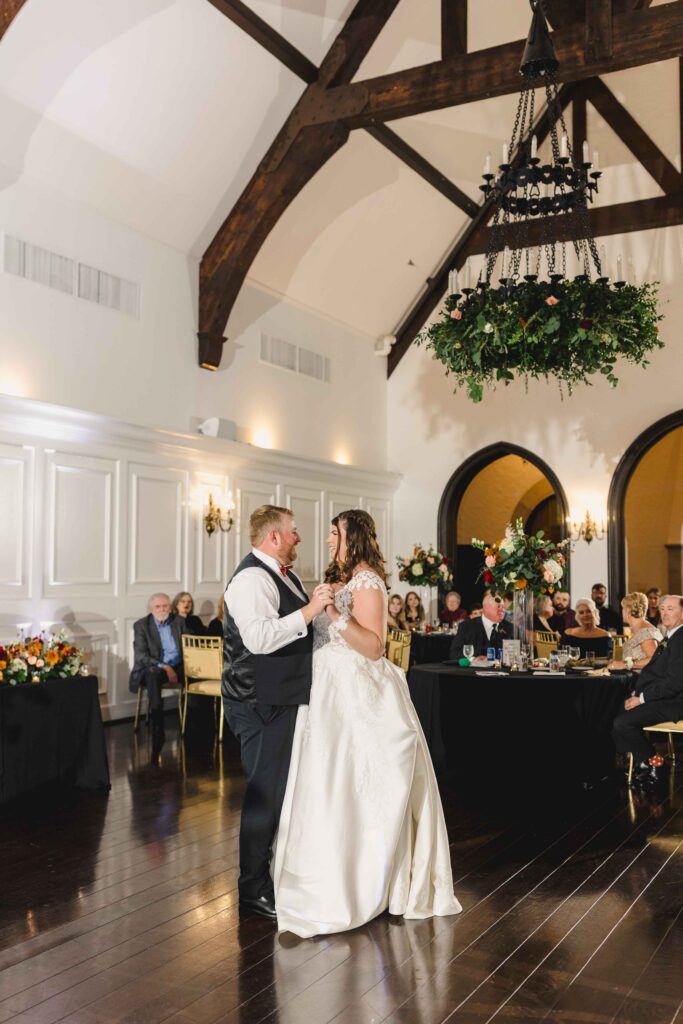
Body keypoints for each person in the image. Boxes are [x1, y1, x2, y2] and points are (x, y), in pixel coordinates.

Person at [274, 509, 460, 937]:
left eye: (333, 533)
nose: (326, 541)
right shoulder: (341, 580)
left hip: (356, 689)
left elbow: (375, 648)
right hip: (326, 689)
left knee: (356, 782)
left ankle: (364, 879)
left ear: (351, 536)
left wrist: (336, 615)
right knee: (324, 781)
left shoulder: (368, 582)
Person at [222, 505, 333, 920]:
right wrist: (309, 610)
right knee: (263, 796)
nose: (298, 537)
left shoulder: (287, 576)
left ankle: (273, 877)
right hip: (257, 702)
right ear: (273, 537)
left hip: (281, 698)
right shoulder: (251, 579)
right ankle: (251, 889)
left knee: (281, 792)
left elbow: (302, 633)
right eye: (293, 531)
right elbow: (260, 639)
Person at [612, 595, 683, 785]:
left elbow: (675, 683)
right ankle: (639, 764)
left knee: (622, 723)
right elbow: (657, 673)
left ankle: (655, 763)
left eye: (670, 609)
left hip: (674, 702)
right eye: (662, 609)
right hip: (662, 696)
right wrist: (637, 694)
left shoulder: (681, 638)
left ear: (682, 613)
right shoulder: (671, 635)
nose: (664, 613)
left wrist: (642, 698)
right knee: (612, 712)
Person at [129, 593, 186, 738]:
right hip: (157, 667)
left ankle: (193, 722)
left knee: (196, 674)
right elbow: (141, 656)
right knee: (152, 674)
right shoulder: (142, 625)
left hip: (178, 665)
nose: (162, 609)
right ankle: (157, 723)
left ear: (170, 607)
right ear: (151, 609)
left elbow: (188, 646)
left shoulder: (178, 621)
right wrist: (166, 667)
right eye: (158, 606)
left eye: (165, 606)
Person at [449, 591, 512, 660]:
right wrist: (473, 659)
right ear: (486, 608)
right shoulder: (466, 626)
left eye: (503, 607)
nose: (502, 610)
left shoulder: (510, 628)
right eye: (498, 606)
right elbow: (454, 653)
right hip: (473, 670)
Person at [609, 592, 663, 671]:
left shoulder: (646, 632)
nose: (622, 612)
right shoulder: (641, 629)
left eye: (623, 608)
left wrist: (624, 664)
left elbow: (654, 659)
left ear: (628, 610)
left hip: (644, 681)